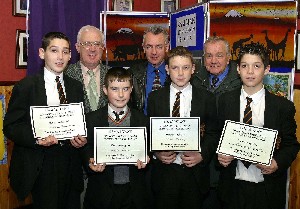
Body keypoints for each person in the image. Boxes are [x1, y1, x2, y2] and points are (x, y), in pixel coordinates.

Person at [3, 32, 87, 209]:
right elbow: (11, 127)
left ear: (71, 55)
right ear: (42, 53)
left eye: (65, 52)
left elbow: (79, 121)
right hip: (41, 164)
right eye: (54, 50)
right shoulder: (26, 86)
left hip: (70, 163)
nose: (60, 57)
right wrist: (37, 138)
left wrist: (81, 138)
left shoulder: (76, 86)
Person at [217, 42, 300, 209]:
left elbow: (291, 145)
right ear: (238, 69)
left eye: (256, 66)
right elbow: (217, 136)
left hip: (266, 188)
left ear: (266, 69)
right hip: (233, 187)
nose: (250, 72)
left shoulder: (282, 107)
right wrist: (220, 155)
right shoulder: (225, 101)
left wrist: (277, 162)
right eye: (244, 66)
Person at [147, 46, 219, 209]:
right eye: (175, 68)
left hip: (194, 173)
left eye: (185, 67)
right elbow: (150, 131)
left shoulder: (206, 98)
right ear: (167, 69)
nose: (180, 73)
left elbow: (213, 132)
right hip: (165, 172)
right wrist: (157, 153)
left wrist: (202, 155)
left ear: (193, 69)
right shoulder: (155, 98)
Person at [83, 67, 151, 209]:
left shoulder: (142, 120)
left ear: (131, 89)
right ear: (105, 90)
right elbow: (85, 148)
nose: (120, 94)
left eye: (125, 89)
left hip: (134, 193)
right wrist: (89, 160)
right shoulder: (91, 120)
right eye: (114, 89)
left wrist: (147, 158)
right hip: (101, 192)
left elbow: (149, 149)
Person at [192, 36, 242, 209]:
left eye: (219, 55)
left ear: (229, 57)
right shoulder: (195, 79)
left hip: (234, 164)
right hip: (202, 160)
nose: (213, 61)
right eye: (209, 56)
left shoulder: (242, 81)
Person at [65, 25, 109, 113]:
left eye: (97, 44)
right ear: (77, 47)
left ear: (103, 47)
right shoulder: (65, 75)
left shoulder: (113, 75)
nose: (92, 49)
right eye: (87, 44)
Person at [128, 25, 170, 114]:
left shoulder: (176, 73)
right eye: (149, 47)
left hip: (169, 126)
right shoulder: (132, 73)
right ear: (143, 48)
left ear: (166, 47)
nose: (154, 52)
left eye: (159, 46)